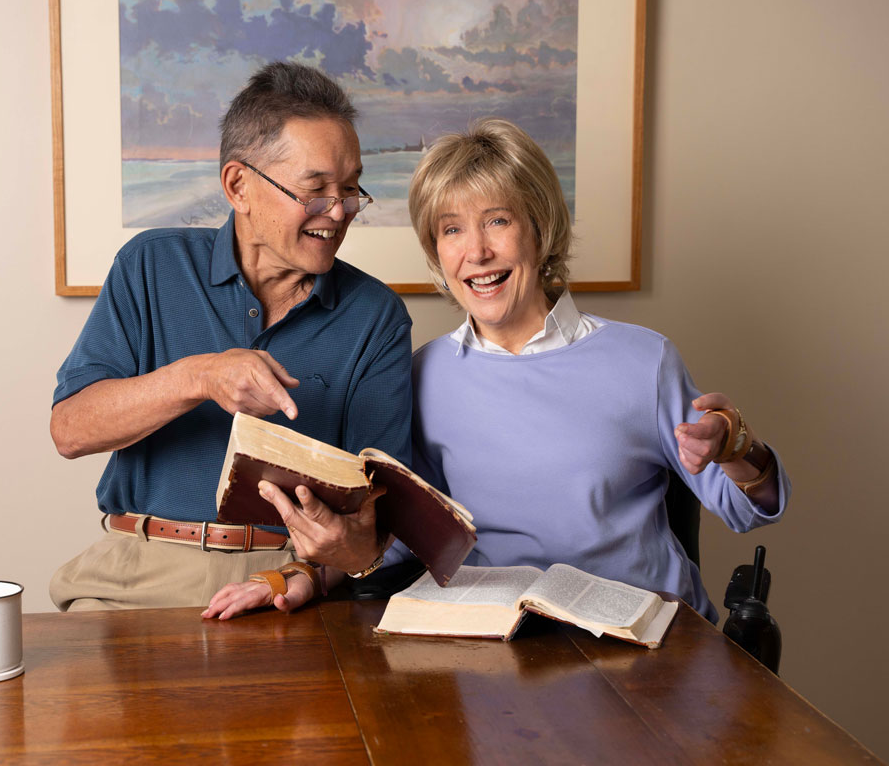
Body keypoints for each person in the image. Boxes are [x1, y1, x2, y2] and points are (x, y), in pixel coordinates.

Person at [206, 118, 789, 623]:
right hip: (492, 643)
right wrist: (302, 575)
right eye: (452, 229)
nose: (476, 252)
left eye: (498, 221)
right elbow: (410, 542)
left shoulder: (645, 359)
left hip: (643, 643)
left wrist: (736, 442)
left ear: (540, 227)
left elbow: (745, 508)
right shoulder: (422, 375)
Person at [49, 62, 405, 611]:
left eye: (351, 191)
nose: (337, 214)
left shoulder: (375, 315)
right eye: (315, 191)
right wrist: (199, 376)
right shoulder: (151, 265)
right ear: (239, 186)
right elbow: (70, 430)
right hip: (137, 572)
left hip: (286, 584)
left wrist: (335, 559)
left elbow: (373, 532)